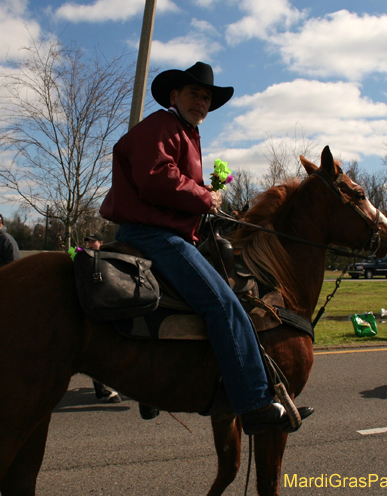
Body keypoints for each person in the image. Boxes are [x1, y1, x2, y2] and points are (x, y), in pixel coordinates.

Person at [99, 61, 306, 434]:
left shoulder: (185, 132)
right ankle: (256, 403)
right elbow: (157, 179)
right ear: (174, 95)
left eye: (207, 97)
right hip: (153, 235)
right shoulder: (162, 126)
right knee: (223, 305)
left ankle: (158, 384)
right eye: (195, 93)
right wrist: (206, 197)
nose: (202, 102)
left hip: (167, 232)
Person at [82, 232, 122, 404]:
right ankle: (102, 390)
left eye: (93, 242)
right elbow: (69, 253)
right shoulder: (83, 254)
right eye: (89, 242)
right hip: (93, 305)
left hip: (107, 304)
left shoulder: (106, 256)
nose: (90, 244)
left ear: (101, 242)